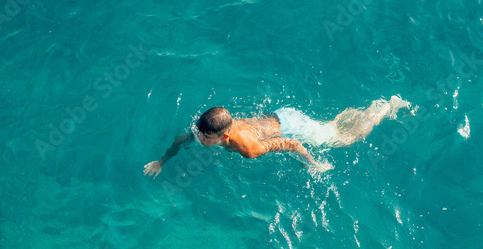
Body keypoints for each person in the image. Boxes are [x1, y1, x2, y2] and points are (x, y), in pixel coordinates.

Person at [143, 95, 411, 178]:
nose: (200, 139)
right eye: (201, 134)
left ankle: (385, 108)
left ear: (224, 136)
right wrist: (161, 161)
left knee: (343, 138)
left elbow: (290, 143)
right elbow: (182, 139)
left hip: (292, 126)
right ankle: (364, 111)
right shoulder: (214, 125)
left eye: (206, 138)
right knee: (331, 127)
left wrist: (312, 163)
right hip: (276, 115)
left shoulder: (247, 148)